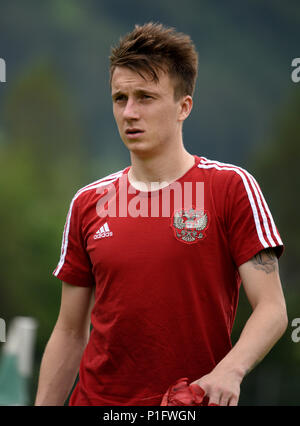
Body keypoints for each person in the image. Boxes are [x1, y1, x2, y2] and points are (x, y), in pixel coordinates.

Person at [35, 22, 288, 407]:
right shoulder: (88, 202)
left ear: (183, 106)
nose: (130, 112)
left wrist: (229, 370)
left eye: (146, 97)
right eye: (121, 98)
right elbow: (70, 332)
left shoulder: (231, 189)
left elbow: (272, 310)